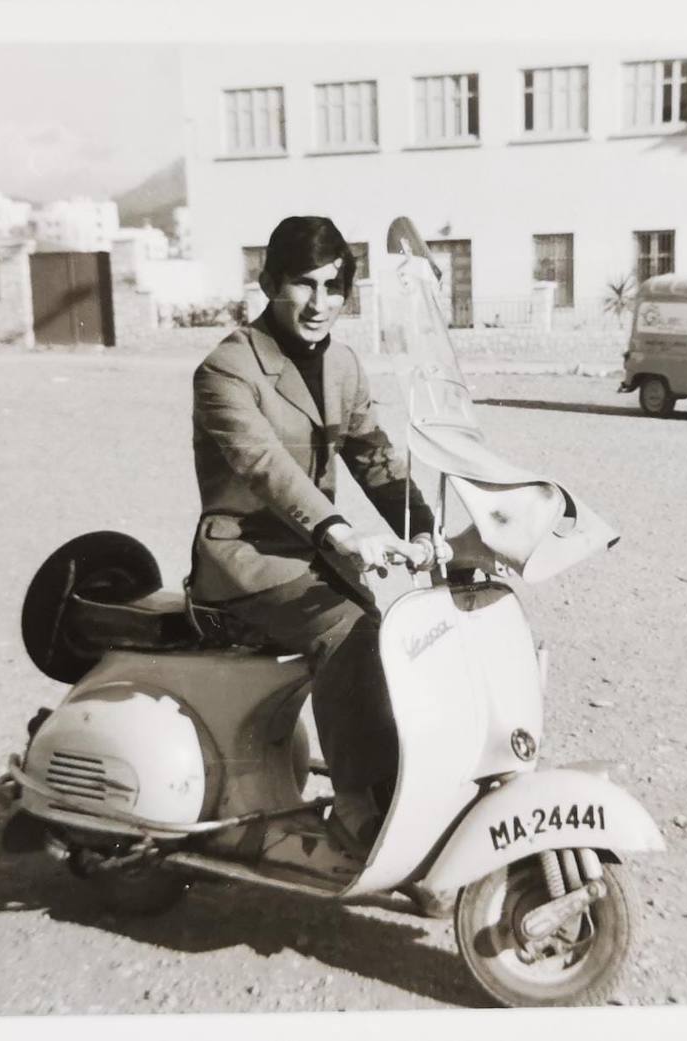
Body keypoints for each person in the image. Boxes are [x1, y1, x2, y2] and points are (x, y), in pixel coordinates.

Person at [188, 215, 439, 855]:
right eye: (304, 285)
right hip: (247, 560)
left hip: (318, 556)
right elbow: (264, 467)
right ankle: (361, 811)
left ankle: (410, 781)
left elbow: (373, 454)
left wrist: (429, 529)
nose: (320, 304)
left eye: (334, 287)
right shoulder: (226, 370)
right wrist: (335, 527)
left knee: (416, 630)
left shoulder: (343, 364)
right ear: (270, 282)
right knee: (352, 633)